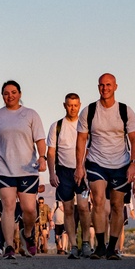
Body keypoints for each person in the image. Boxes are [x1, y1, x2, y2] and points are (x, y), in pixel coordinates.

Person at [0, 80, 47, 259]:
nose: (10, 96)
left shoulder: (30, 115)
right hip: (2, 168)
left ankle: (28, 234)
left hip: (27, 169)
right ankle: (9, 247)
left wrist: (42, 157)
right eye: (6, 93)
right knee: (8, 206)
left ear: (20, 94)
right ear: (2, 96)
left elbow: (40, 139)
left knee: (29, 209)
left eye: (14, 92)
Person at [75, 73, 135, 260]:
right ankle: (100, 246)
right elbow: (81, 141)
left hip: (121, 164)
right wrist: (79, 166)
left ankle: (112, 248)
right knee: (98, 201)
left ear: (115, 87)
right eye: (102, 85)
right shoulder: (89, 111)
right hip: (96, 162)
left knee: (117, 206)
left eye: (109, 85)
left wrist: (134, 164)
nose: (105, 88)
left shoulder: (125, 111)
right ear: (98, 87)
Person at [47, 93, 92, 259]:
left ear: (80, 105)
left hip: (83, 172)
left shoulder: (86, 125)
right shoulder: (56, 126)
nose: (72, 108)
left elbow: (91, 148)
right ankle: (73, 245)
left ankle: (85, 242)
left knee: (83, 207)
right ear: (64, 105)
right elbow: (50, 152)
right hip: (64, 172)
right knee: (67, 209)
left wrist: (86, 169)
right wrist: (51, 173)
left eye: (75, 105)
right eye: (69, 105)